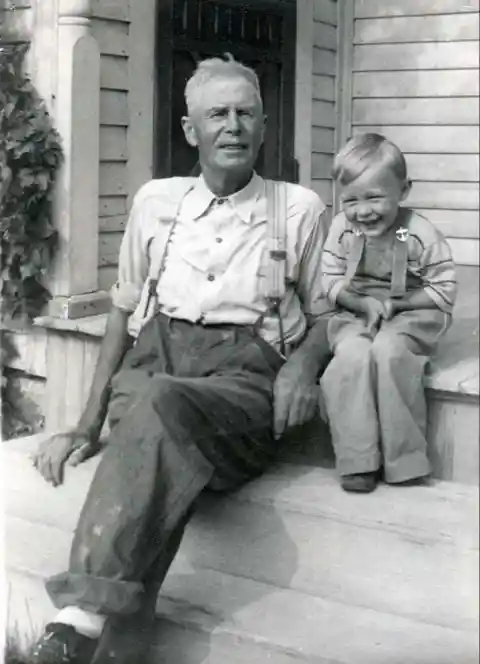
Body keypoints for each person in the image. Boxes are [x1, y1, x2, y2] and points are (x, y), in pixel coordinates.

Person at [30, 56, 333, 663]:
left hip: (241, 390)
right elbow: (122, 312)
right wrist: (86, 424)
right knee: (156, 411)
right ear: (190, 131)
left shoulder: (297, 208)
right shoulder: (156, 202)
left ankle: (78, 616)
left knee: (158, 407)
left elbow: (330, 314)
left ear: (265, 126)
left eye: (246, 113)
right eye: (217, 114)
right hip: (156, 364)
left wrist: (303, 365)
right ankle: (111, 648)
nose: (234, 126)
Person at [320, 132, 456, 494]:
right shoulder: (342, 228)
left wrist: (400, 305)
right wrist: (359, 304)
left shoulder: (418, 234)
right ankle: (357, 460)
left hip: (412, 311)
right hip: (358, 309)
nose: (363, 211)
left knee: (389, 352)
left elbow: (443, 290)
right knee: (352, 356)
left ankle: (405, 460)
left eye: (375, 197)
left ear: (404, 190)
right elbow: (330, 280)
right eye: (351, 201)